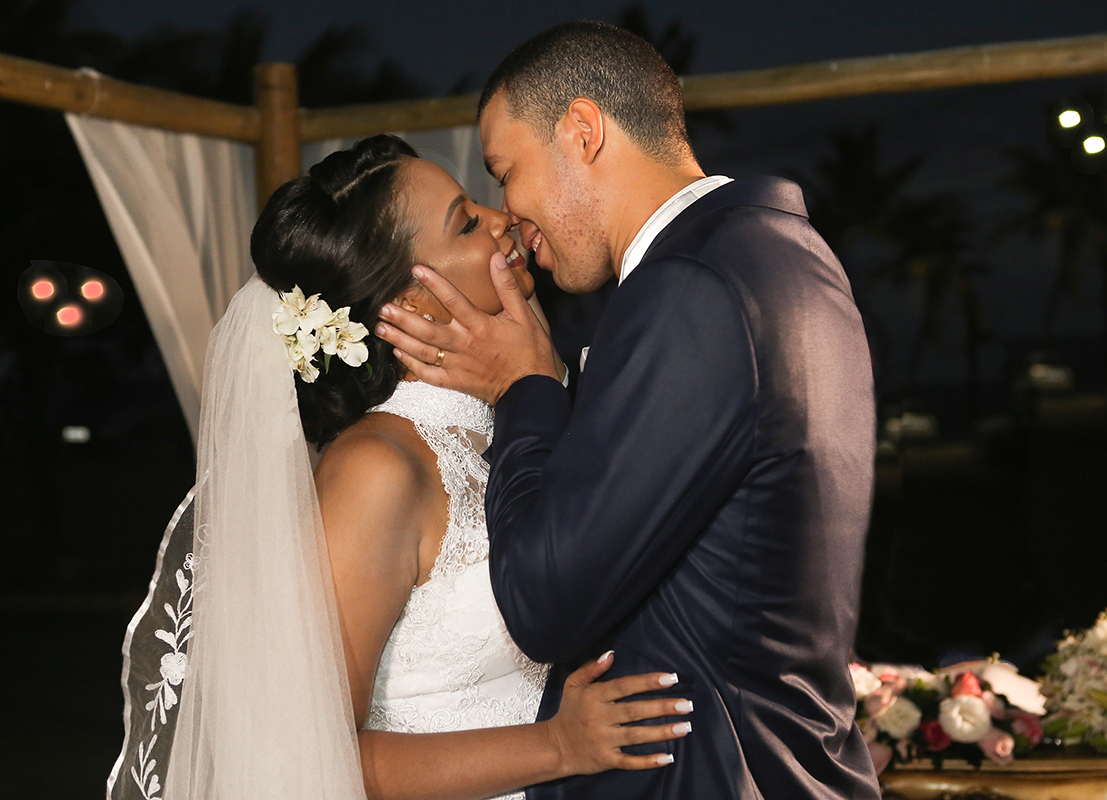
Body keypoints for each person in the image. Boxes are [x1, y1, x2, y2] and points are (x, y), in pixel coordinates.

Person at [374, 21, 882, 800]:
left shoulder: (689, 290)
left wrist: (527, 388)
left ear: (581, 131)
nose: (510, 212)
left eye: (506, 173)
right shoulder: (784, 255)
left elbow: (544, 605)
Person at [107, 134, 691, 800]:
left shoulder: (515, 423)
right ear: (407, 304)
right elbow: (306, 750)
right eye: (468, 222)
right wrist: (557, 745)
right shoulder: (376, 470)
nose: (502, 221)